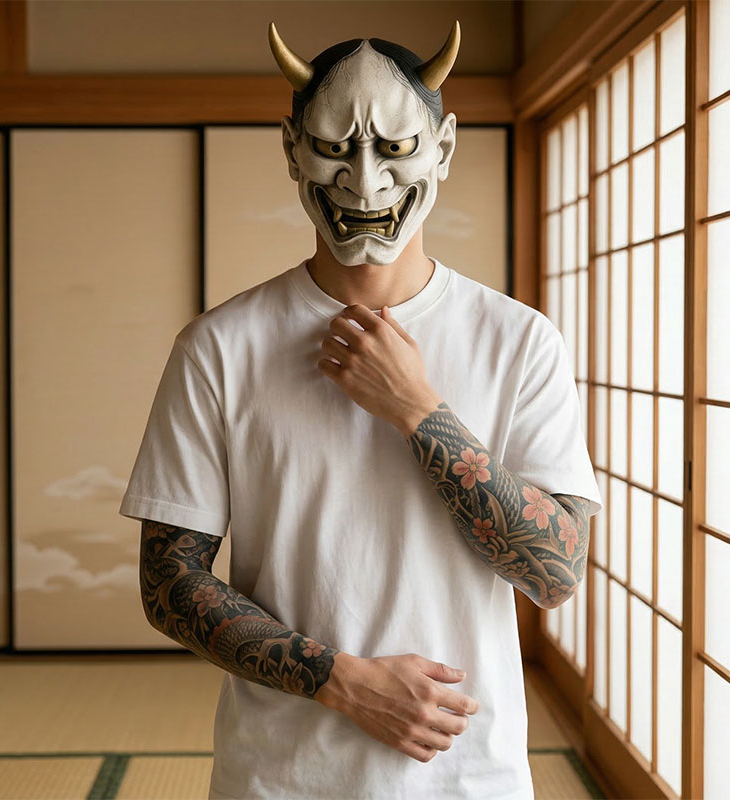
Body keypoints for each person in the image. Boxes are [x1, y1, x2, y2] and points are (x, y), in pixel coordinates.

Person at [119, 20, 603, 800]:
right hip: (277, 779)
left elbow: (555, 570)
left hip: (468, 778)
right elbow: (169, 583)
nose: (366, 181)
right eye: (334, 149)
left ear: (443, 147)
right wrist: (340, 681)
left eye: (396, 148)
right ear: (292, 150)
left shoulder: (520, 340)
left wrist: (418, 409)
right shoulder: (217, 346)